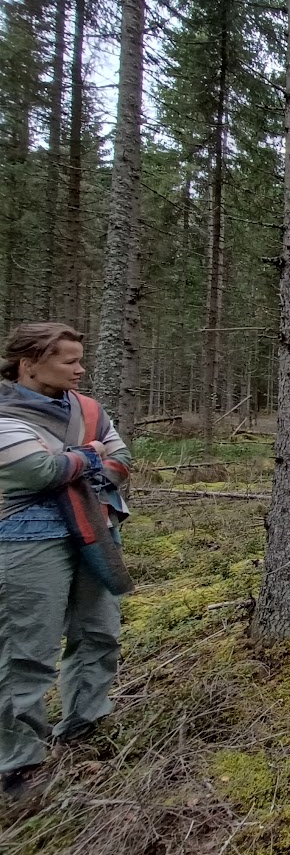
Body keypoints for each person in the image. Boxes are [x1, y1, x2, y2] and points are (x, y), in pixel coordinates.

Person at [0, 323, 132, 799]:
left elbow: (120, 460)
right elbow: (36, 471)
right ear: (29, 364)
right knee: (26, 651)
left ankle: (85, 723)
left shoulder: (89, 410)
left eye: (81, 359)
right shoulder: (5, 414)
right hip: (26, 539)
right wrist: (88, 457)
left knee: (99, 631)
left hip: (95, 532)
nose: (80, 369)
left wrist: (79, 458)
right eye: (69, 361)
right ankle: (20, 760)